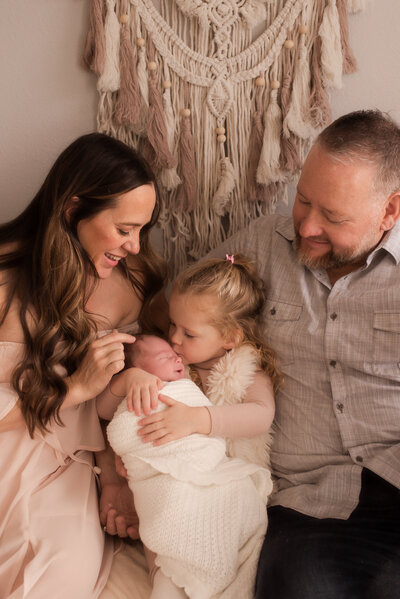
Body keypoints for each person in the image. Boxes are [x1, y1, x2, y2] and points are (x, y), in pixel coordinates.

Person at [207, 109, 400, 599]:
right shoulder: (260, 245)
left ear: (389, 211)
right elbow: (175, 312)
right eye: (303, 200)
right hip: (311, 502)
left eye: (333, 216)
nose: (307, 226)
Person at [0, 132, 167, 598]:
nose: (135, 246)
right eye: (124, 229)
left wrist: (113, 481)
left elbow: (114, 401)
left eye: (142, 229)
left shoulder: (131, 284)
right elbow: (83, 394)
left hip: (62, 471)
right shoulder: (3, 279)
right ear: (74, 211)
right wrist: (73, 389)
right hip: (7, 449)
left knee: (60, 578)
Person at [101, 254, 280, 596]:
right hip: (165, 485)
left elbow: (261, 414)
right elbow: (106, 411)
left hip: (221, 484)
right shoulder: (164, 366)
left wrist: (200, 419)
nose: (175, 340)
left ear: (230, 338)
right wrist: (129, 380)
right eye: (172, 326)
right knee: (163, 540)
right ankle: (163, 581)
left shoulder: (242, 371)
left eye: (189, 333)